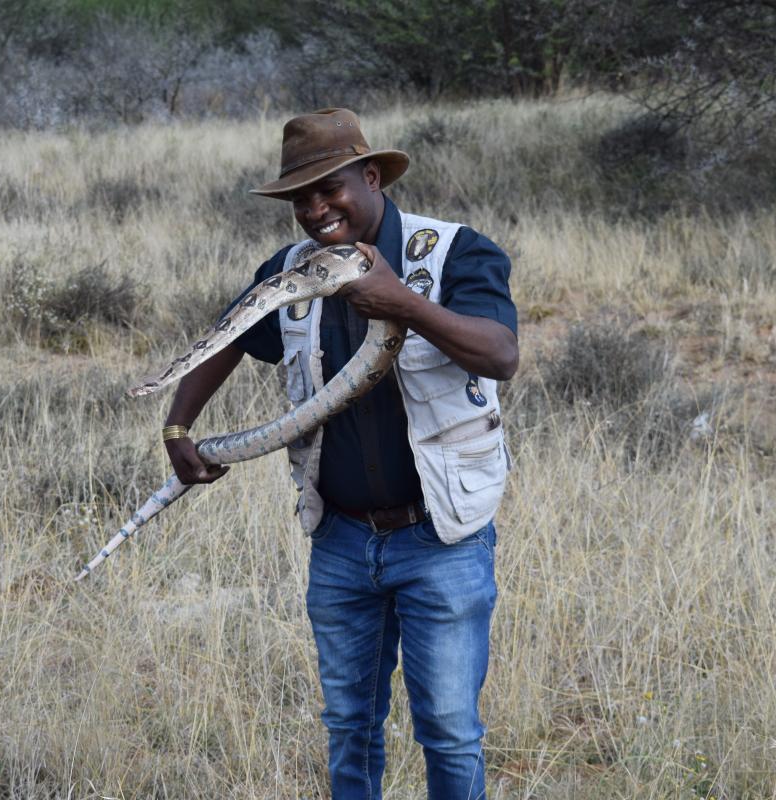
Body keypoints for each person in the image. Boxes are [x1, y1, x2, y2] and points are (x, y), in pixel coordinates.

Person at [161, 108, 518, 800]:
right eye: (301, 198)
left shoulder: (454, 253)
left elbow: (500, 353)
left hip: (440, 537)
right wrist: (179, 425)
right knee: (350, 724)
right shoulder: (291, 271)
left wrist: (402, 303)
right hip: (341, 538)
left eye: (331, 188)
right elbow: (231, 336)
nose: (317, 209)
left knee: (448, 728)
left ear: (373, 177)